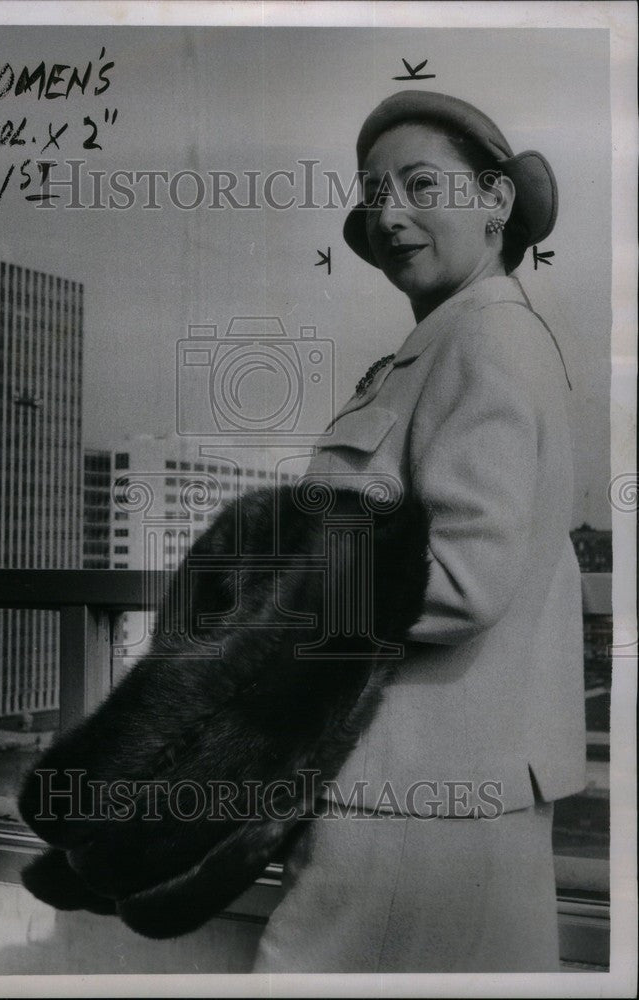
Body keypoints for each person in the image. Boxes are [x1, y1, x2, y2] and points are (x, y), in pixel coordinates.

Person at [251, 90, 586, 973]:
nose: (389, 213)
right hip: (432, 795)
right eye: (374, 192)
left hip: (414, 805)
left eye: (420, 184)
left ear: (495, 202)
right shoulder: (444, 345)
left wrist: (283, 597)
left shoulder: (486, 342)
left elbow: (467, 580)